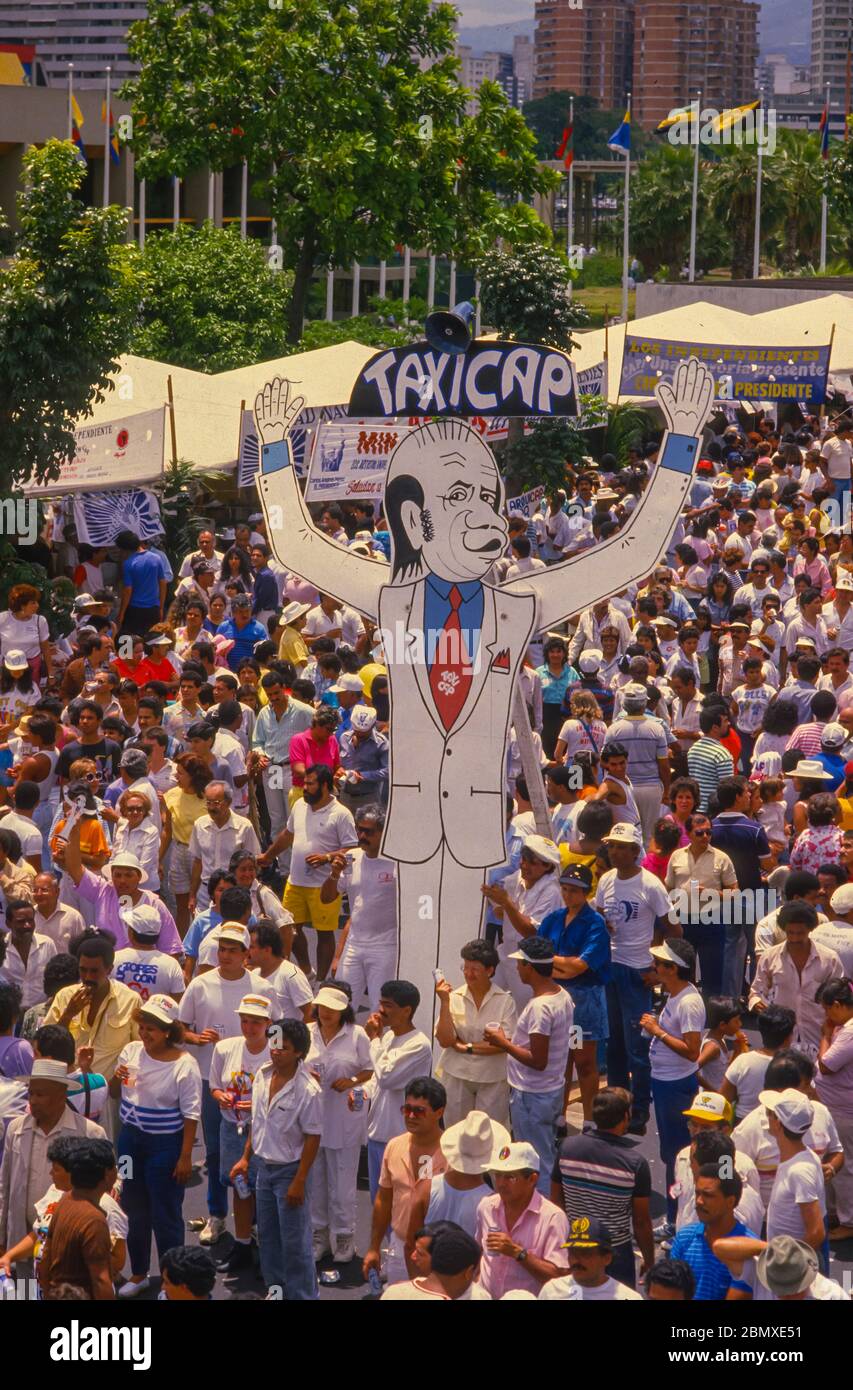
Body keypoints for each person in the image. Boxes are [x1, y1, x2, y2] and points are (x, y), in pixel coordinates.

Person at [178, 923, 273, 1246]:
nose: (227, 955)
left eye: (234, 950)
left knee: (260, 1153)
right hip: (213, 1081)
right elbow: (180, 1028)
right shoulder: (200, 985)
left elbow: (279, 1032)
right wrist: (195, 1037)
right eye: (222, 949)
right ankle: (217, 1216)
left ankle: (257, 1223)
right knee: (217, 1153)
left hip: (259, 1086)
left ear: (247, 954)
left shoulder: (262, 987)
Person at [110, 993, 201, 1298]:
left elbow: (191, 1115)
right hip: (129, 1142)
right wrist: (116, 1077)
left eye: (153, 1028)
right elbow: (114, 1092)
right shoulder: (131, 1052)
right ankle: (138, 1273)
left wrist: (185, 1156)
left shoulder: (185, 1065)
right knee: (131, 1208)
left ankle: (170, 1282)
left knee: (165, 1213)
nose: (146, 1033)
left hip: (165, 1146)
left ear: (168, 1032)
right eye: (144, 1026)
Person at [230, 1017, 323, 1302]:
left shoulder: (308, 1090)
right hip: (262, 1169)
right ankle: (277, 1292)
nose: (276, 1050)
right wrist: (246, 1158)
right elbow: (258, 1122)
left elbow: (312, 1138)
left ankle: (304, 1296)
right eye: (274, 1044)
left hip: (290, 1172)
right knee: (269, 1239)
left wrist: (299, 1180)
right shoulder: (262, 1075)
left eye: (284, 1047)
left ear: (299, 1052)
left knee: (295, 1244)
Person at [594, 821, 678, 1135]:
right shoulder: (605, 880)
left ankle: (639, 1109)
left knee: (637, 1048)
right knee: (613, 1043)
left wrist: (659, 971)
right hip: (610, 969)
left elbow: (673, 929)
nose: (614, 852)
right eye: (611, 846)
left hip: (637, 973)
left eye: (621, 847)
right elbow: (601, 914)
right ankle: (615, 1108)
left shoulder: (651, 885)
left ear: (635, 851)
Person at [483, 935, 574, 1193]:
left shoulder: (539, 1008)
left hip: (532, 1095)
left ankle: (541, 1216)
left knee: (536, 1162)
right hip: (549, 1091)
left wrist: (503, 1043)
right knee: (545, 1155)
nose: (517, 969)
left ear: (530, 968)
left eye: (520, 964)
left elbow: (538, 1060)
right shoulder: (562, 995)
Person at [260, 763, 357, 981]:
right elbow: (287, 834)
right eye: (304, 783)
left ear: (324, 786)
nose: (304, 788)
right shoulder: (299, 806)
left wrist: (327, 858)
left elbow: (352, 848)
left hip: (324, 886)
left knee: (324, 934)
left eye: (310, 784)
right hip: (295, 881)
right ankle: (306, 971)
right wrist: (267, 856)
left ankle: (321, 981)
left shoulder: (341, 814)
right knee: (289, 929)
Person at [0, 1058, 107, 1254]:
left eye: (40, 1094)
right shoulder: (15, 1129)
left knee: (61, 1285)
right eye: (31, 1093)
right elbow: (4, 1186)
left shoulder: (89, 1133)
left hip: (68, 1244)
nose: (32, 1100)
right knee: (26, 1285)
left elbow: (111, 1182)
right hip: (20, 1244)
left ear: (61, 1095)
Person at [551, 1086, 654, 1288]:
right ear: (625, 1116)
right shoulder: (635, 1164)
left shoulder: (567, 1148)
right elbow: (641, 1221)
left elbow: (556, 1202)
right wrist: (649, 1260)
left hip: (575, 1247)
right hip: (616, 1253)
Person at [43, 933, 140, 1136]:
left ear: (109, 970)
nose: (87, 977)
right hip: (67, 1094)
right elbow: (46, 1044)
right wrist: (69, 1013)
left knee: (107, 1155)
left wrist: (121, 1086)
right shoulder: (65, 997)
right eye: (83, 970)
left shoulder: (130, 1000)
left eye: (94, 971)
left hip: (109, 1097)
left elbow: (138, 1050)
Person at [642, 939, 705, 1236]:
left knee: (677, 1155)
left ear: (674, 969)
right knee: (672, 1154)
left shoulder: (689, 1003)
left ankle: (674, 1219)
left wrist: (658, 1032)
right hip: (666, 1082)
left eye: (661, 963)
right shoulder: (675, 995)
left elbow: (693, 1051)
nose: (655, 967)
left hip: (675, 1085)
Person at [306, 983, 372, 1265]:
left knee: (343, 1181)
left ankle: (345, 1235)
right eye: (322, 1007)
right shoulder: (306, 1033)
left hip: (344, 1117)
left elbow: (368, 1070)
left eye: (332, 1008)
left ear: (343, 1010)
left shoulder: (357, 1035)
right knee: (315, 1180)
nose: (326, 1013)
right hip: (311, 1118)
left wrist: (352, 1081)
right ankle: (319, 1235)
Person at [539, 863, 611, 1119]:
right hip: (556, 997)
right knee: (560, 1061)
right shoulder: (554, 919)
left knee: (583, 1061)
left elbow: (580, 966)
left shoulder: (595, 924)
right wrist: (562, 966)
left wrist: (552, 963)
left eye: (574, 891)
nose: (568, 895)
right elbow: (537, 957)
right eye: (565, 889)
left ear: (585, 892)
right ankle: (559, 1115)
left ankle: (590, 1119)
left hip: (583, 1004)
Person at [208, 992, 272, 1275]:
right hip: (232, 1126)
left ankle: (267, 1248)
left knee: (265, 1189)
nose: (249, 1028)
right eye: (244, 1021)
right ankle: (243, 1243)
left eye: (255, 1023)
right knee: (240, 1186)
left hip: (265, 1130)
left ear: (268, 1023)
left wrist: (258, 1103)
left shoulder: (276, 1052)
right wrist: (221, 1095)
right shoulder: (225, 1049)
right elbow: (214, 1086)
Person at [363, 1076, 448, 1285]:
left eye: (419, 1111)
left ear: (439, 1112)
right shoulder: (393, 1146)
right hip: (399, 1247)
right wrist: (373, 1248)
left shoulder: (453, 1154)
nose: (410, 1116)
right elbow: (384, 1200)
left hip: (441, 1252)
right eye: (406, 1109)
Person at [433, 939, 517, 1128]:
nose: (468, 974)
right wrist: (445, 1003)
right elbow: (445, 1040)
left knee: (490, 1131)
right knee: (455, 1130)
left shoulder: (504, 1001)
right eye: (466, 968)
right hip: (457, 1074)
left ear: (490, 970)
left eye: (475, 969)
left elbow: (504, 1043)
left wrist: (466, 1047)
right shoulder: (454, 998)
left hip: (492, 1077)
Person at [362, 979, 432, 1202]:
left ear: (407, 1010)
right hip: (377, 1135)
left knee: (403, 1207)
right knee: (379, 1205)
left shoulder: (419, 1044)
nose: (381, 1010)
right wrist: (362, 1092)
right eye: (381, 1003)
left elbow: (387, 1078)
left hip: (402, 1137)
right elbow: (376, 1080)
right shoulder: (389, 1036)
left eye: (388, 1005)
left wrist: (373, 1039)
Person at [323, 803, 398, 1012]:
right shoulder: (351, 858)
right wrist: (334, 874)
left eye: (369, 831)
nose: (362, 835)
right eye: (359, 829)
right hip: (354, 946)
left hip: (385, 948)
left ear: (384, 831)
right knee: (339, 1006)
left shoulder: (397, 863)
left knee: (379, 1010)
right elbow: (327, 898)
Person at [473, 1140, 569, 1299]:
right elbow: (478, 1254)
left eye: (510, 1177)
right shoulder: (486, 1207)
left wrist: (518, 1253)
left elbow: (559, 1277)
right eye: (498, 1175)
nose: (501, 1184)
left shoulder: (552, 1218)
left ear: (532, 1179)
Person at [749, 901, 844, 1056]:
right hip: (781, 1038)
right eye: (790, 933)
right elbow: (756, 992)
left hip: (819, 1036)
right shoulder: (769, 957)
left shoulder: (829, 959)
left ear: (811, 929)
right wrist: (759, 1005)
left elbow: (841, 999)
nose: (794, 938)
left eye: (800, 933)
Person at [405, 1111, 509, 1248]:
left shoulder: (426, 1188)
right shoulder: (492, 1203)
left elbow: (410, 1244)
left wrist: (417, 1270)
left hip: (428, 1267)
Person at [664, 812, 738, 997]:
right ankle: (681, 1012)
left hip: (710, 920)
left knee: (712, 974)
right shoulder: (676, 857)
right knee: (681, 971)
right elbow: (668, 888)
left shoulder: (721, 858)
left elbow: (735, 892)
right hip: (682, 921)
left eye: (708, 832)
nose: (705, 836)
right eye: (700, 833)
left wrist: (711, 893)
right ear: (688, 834)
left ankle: (712, 1016)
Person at [36, 1136, 117, 1300]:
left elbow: (45, 1259)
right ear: (108, 1175)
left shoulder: (65, 1200)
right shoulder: (94, 1221)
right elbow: (101, 1280)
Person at [249, 670, 313, 872]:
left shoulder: (304, 711)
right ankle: (285, 869)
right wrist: (260, 755)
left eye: (277, 693)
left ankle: (300, 866)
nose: (274, 698)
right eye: (270, 694)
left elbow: (320, 734)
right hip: (273, 770)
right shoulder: (264, 714)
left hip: (294, 770)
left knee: (295, 819)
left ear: (284, 689)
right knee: (277, 821)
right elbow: (257, 741)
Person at [668, 1164, 756, 1301]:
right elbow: (670, 1290)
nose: (699, 1201)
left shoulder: (747, 1249)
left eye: (708, 1195)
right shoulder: (684, 1238)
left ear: (730, 1201)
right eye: (697, 1193)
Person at [761, 1088, 827, 1256]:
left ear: (778, 1123)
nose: (766, 1117)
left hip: (792, 1268)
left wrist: (786, 1260)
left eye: (770, 1113)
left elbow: (816, 1233)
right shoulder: (805, 1159)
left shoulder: (799, 1171)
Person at [815, 978, 853, 1241]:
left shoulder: (848, 1031)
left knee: (844, 1165)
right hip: (836, 1106)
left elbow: (827, 1064)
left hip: (842, 1109)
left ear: (839, 1005)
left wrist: (825, 1035)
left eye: (828, 1009)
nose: (826, 1016)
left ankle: (849, 1221)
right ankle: (838, 1211)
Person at [188, 781, 260, 914]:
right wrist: (192, 895)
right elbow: (198, 862)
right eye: (208, 802)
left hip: (234, 892)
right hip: (205, 892)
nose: (211, 807)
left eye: (216, 803)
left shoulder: (244, 826)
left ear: (228, 802)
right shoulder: (199, 825)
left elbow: (253, 863)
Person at [538, 1214, 643, 1300]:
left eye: (585, 1253)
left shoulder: (628, 1297)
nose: (576, 1260)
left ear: (607, 1258)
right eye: (572, 1253)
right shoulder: (551, 1291)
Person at [721, 1004, 796, 1122]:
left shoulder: (742, 1061)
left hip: (743, 1124)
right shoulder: (795, 1067)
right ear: (789, 1037)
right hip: (779, 1127)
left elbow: (723, 1101)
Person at [111, 903, 185, 1003]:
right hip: (156, 1019)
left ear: (131, 933)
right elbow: (178, 1003)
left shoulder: (114, 959)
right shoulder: (171, 965)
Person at [1, 897, 57, 1014]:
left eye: (30, 920)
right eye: (21, 921)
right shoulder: (2, 948)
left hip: (41, 1014)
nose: (27, 925)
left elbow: (55, 979)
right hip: (9, 1016)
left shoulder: (47, 944)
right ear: (8, 923)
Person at [247, 923, 312, 1021]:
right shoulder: (254, 974)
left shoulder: (291, 975)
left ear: (267, 950)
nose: (246, 951)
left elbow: (310, 1014)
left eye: (251, 947)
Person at [116, 532, 171, 634]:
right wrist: (161, 607)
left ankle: (126, 651)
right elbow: (163, 583)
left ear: (125, 549)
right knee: (151, 640)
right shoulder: (156, 558)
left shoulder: (128, 564)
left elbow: (128, 591)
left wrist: (121, 613)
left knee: (128, 640)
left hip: (134, 610)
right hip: (153, 609)